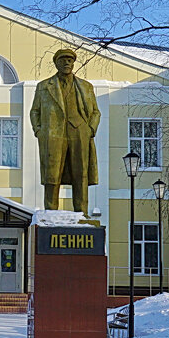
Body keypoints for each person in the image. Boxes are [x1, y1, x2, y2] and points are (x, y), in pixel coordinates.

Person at [29, 48, 100, 215]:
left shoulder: (85, 86)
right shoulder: (44, 86)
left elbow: (96, 111)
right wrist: (38, 130)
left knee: (80, 174)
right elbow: (35, 111)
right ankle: (51, 213)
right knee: (52, 176)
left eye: (70, 60)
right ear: (56, 63)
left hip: (80, 133)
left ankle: (82, 213)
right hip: (53, 135)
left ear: (73, 63)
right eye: (63, 60)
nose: (67, 63)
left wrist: (90, 129)